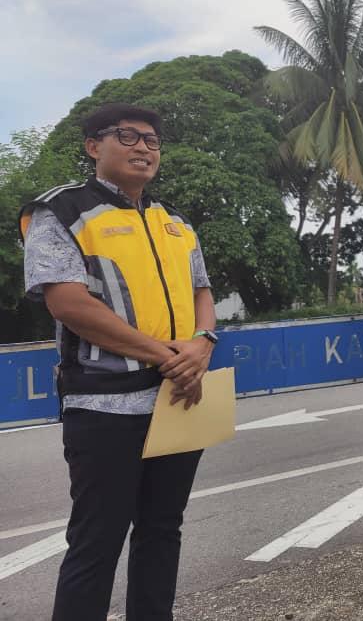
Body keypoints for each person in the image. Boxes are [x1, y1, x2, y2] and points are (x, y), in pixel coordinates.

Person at [19, 103, 217, 621]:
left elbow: (202, 291)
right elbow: (69, 303)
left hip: (177, 399)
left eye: (152, 140)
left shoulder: (174, 221)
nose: (143, 148)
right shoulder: (60, 211)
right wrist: (167, 355)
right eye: (127, 137)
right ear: (93, 147)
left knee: (163, 531)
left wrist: (203, 342)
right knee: (97, 541)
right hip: (104, 405)